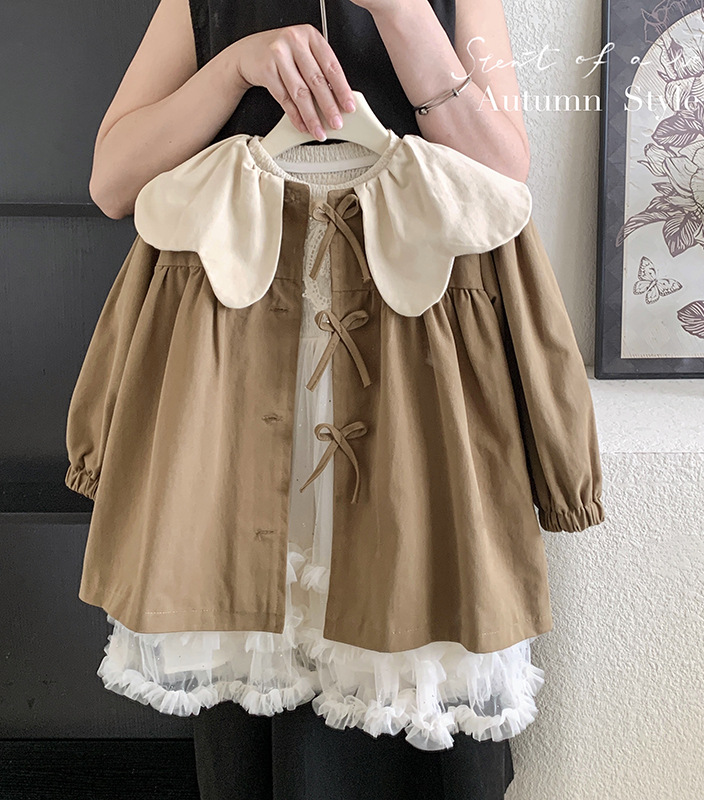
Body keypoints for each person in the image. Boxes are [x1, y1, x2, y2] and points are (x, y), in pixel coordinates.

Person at [87, 0, 534, 797]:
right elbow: (113, 181)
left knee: (422, 667)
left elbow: (503, 182)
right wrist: (234, 68)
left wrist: (401, 14)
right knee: (260, 706)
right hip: (237, 385)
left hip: (416, 390)